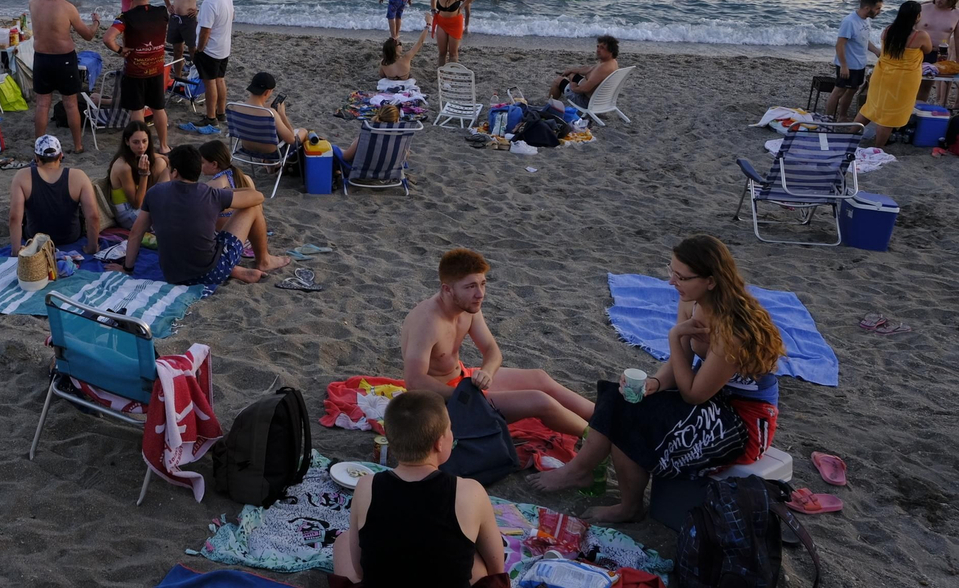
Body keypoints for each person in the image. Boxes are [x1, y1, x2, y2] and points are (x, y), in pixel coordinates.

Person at [532, 235, 784, 523]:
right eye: (671, 271)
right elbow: (680, 366)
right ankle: (589, 477)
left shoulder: (732, 331)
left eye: (682, 277)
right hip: (711, 398)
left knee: (637, 417)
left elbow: (693, 394)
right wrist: (655, 383)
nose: (671, 282)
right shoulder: (693, 303)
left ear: (711, 281)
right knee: (624, 398)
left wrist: (675, 337)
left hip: (742, 422)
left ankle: (607, 492)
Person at [403, 249, 595, 436]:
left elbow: (491, 350)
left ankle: (602, 416)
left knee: (540, 378)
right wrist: (464, 395)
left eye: (483, 284)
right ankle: (595, 439)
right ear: (447, 289)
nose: (480, 294)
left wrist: (487, 372)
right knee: (540, 401)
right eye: (470, 287)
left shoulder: (469, 307)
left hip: (463, 379)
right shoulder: (427, 323)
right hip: (442, 399)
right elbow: (414, 381)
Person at [331, 391, 507, 588]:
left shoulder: (366, 486)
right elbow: (496, 570)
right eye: (450, 429)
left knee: (344, 541)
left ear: (389, 438)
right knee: (474, 555)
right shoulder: (471, 491)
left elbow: (360, 570)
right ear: (439, 443)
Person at [113, 145, 288, 288]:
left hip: (173, 275)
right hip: (208, 273)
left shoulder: (154, 192)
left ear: (174, 172)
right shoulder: (211, 194)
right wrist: (229, 193)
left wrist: (127, 269)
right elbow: (258, 197)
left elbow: (136, 233)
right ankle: (264, 260)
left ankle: (236, 270)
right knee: (253, 207)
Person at [29, 0, 100, 152]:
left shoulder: (34, 2)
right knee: (70, 104)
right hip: (64, 59)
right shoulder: (68, 8)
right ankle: (77, 146)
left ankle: (39, 146)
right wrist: (96, 23)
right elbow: (88, 35)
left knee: (42, 104)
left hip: (41, 58)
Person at [103, 0, 171, 151]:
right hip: (156, 70)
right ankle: (164, 146)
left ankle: (141, 148)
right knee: (159, 109)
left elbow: (108, 38)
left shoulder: (125, 18)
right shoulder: (162, 12)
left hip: (135, 72)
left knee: (137, 111)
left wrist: (120, 50)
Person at [856, 1, 932, 147]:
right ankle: (877, 148)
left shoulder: (887, 30)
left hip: (881, 75)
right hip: (902, 81)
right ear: (917, 16)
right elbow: (928, 50)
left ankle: (848, 136)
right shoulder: (920, 36)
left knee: (870, 108)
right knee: (889, 118)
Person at [9, 135, 101, 254]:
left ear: (36, 157)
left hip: (35, 238)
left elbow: (14, 218)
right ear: (61, 155)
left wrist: (16, 251)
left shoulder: (22, 176)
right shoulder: (78, 176)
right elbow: (93, 216)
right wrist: (92, 248)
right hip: (70, 237)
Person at [824, 0, 884, 121]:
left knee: (853, 89)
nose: (879, 11)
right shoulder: (849, 22)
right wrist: (844, 66)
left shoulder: (866, 20)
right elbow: (840, 45)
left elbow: (864, 40)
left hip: (859, 64)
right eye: (877, 8)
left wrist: (876, 51)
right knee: (839, 91)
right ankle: (827, 119)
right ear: (867, 8)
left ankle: (842, 116)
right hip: (848, 65)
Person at [107, 122, 169, 229]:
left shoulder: (137, 155)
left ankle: (162, 204)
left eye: (144, 141)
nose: (141, 146)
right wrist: (144, 174)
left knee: (161, 164)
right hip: (129, 214)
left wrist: (164, 159)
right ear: (127, 142)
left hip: (140, 204)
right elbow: (136, 204)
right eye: (136, 142)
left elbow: (165, 159)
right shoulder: (124, 167)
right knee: (174, 215)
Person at [194, 0, 235, 124]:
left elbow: (205, 30)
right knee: (220, 79)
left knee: (210, 82)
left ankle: (211, 116)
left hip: (210, 49)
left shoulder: (209, 2)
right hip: (224, 47)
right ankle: (221, 112)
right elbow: (232, 16)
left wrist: (200, 49)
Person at [547, 35, 621, 107]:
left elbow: (585, 89)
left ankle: (550, 106)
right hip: (601, 100)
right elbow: (589, 69)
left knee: (558, 81)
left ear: (611, 51)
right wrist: (571, 70)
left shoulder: (603, 68)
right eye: (598, 46)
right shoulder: (611, 62)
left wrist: (574, 87)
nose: (598, 50)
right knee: (571, 75)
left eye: (602, 48)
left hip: (588, 102)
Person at [915, 0, 959, 103]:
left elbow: (957, 39)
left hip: (939, 54)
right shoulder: (923, 8)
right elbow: (909, 30)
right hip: (917, 52)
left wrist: (958, 60)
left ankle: (919, 109)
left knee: (926, 86)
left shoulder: (956, 14)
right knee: (912, 83)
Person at [241, 71, 307, 147]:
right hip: (270, 151)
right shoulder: (271, 114)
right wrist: (282, 114)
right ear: (267, 92)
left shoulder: (236, 107)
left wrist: (266, 106)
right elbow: (291, 139)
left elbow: (254, 109)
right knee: (303, 131)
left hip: (247, 148)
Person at [431, 0, 475, 65]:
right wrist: (433, 10)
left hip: (455, 23)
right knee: (442, 52)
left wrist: (462, 7)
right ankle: (441, 71)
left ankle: (452, 71)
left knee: (453, 53)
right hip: (442, 22)